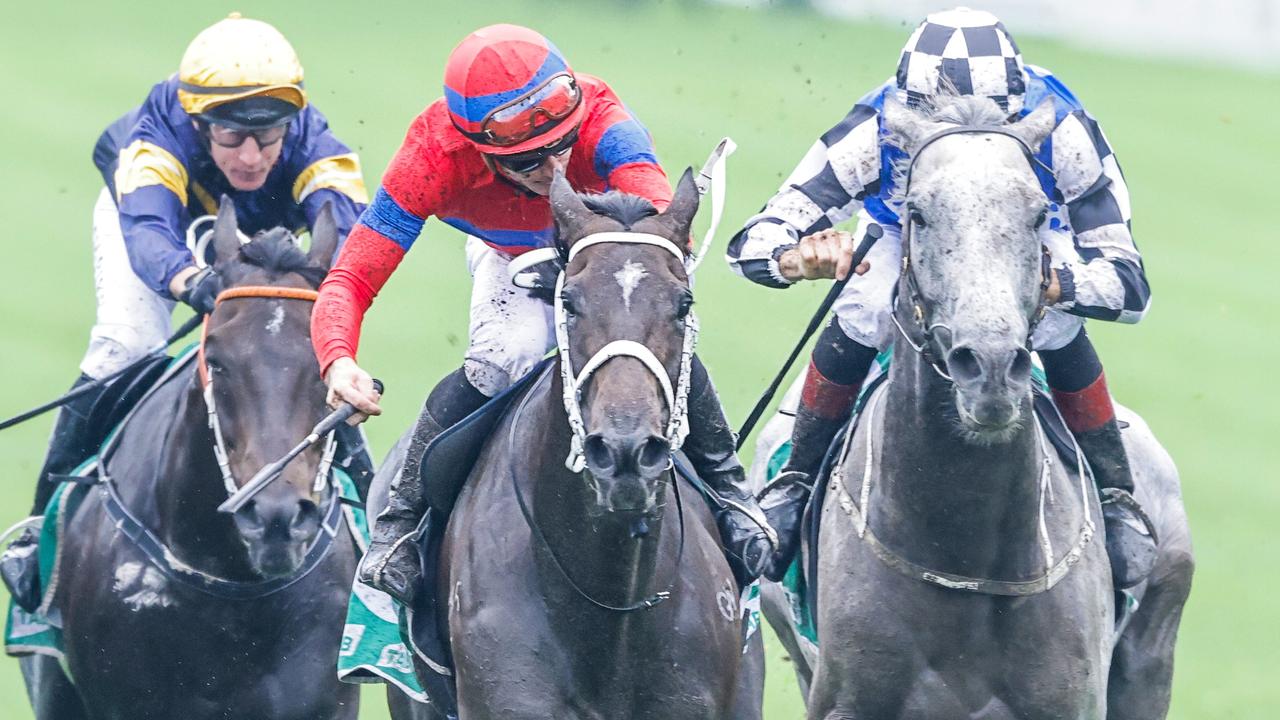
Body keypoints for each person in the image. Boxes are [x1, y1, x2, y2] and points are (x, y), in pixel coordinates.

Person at [313, 23, 773, 604]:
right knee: (503, 357)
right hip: (508, 254)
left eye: (564, 144)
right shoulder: (430, 156)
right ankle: (400, 525)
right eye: (530, 161)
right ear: (477, 148)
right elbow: (352, 277)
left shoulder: (604, 117)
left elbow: (654, 215)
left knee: (648, 336)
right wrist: (338, 362)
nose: (556, 169)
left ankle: (732, 496)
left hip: (605, 246)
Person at [729, 7, 1157, 589]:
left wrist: (1056, 285)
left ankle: (1114, 494)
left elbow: (1131, 284)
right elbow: (755, 239)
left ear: (1017, 107)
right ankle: (796, 482)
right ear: (911, 112)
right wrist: (796, 257)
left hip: (1019, 233)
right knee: (866, 298)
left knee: (1052, 322)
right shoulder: (875, 123)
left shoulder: (1062, 122)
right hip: (914, 234)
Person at [0, 13, 373, 611]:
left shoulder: (315, 145)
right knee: (125, 343)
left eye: (269, 136)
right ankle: (39, 529)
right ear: (199, 125)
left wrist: (323, 295)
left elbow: (355, 229)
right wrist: (190, 279)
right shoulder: (153, 145)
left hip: (261, 234)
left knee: (316, 348)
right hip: (160, 221)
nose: (251, 156)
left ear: (291, 122)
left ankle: (371, 531)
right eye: (229, 137)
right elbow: (149, 231)